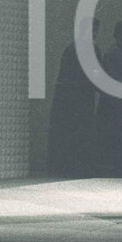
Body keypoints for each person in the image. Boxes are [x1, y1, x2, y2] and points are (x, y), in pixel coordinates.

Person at [47, 17, 101, 178]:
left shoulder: (71, 49)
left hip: (67, 100)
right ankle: (79, 168)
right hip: (82, 100)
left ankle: (65, 168)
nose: (94, 34)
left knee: (68, 135)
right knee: (81, 134)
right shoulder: (91, 50)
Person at [95, 19, 122, 178]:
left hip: (115, 102)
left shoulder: (118, 51)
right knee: (114, 137)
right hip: (114, 104)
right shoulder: (114, 53)